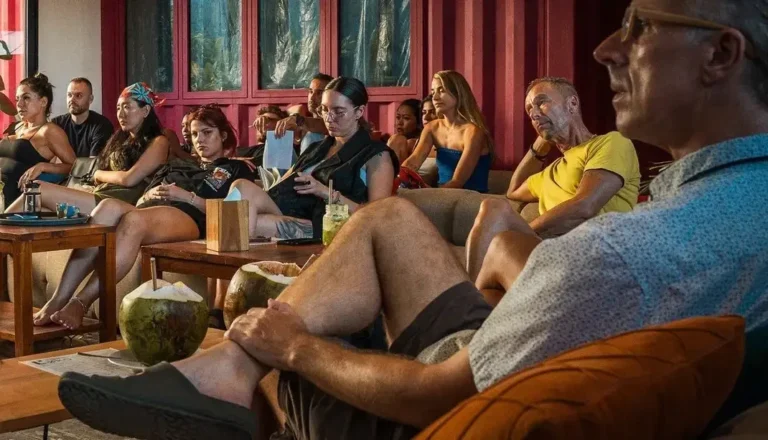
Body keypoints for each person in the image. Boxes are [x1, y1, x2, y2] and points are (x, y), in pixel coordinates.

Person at [58, 1, 768, 438]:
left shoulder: (624, 252)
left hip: (453, 402)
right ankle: (225, 369)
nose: (605, 49)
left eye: (638, 27)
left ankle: (236, 375)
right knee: (390, 221)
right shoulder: (733, 207)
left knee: (282, 349)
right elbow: (487, 195)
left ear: (721, 55)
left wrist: (297, 350)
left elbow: (441, 394)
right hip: (538, 334)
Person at [42, 105, 255, 330]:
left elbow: (234, 211)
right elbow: (143, 198)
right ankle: (58, 298)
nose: (199, 139)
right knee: (107, 207)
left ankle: (80, 302)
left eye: (207, 132)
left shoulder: (236, 168)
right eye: (194, 134)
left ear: (223, 135)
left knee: (134, 221)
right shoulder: (178, 164)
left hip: (188, 215)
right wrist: (148, 195)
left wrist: (187, 197)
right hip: (152, 208)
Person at [465, 77, 641, 300]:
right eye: (529, 110)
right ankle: (472, 304)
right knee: (493, 209)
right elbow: (514, 190)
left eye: (542, 102)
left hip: (594, 256)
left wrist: (526, 231)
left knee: (502, 245)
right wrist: (541, 144)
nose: (534, 113)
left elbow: (585, 205)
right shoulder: (553, 170)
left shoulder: (611, 143)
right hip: (548, 255)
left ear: (572, 104)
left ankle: (468, 304)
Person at [227, 76, 398, 240]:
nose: (329, 118)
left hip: (320, 225)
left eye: (338, 111)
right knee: (239, 186)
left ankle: (230, 263)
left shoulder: (376, 155)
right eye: (324, 110)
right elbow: (280, 186)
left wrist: (324, 191)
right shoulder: (316, 149)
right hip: (285, 210)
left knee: (245, 223)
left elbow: (378, 217)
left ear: (359, 111)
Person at [6, 83, 169, 229]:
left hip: (118, 202)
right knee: (36, 208)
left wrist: (97, 174)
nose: (121, 113)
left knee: (38, 189)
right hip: (98, 194)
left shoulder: (159, 142)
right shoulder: (120, 140)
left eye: (127, 107)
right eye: (118, 108)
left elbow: (129, 179)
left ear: (146, 110)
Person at [402, 70, 493, 192]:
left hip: (470, 198)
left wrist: (429, 193)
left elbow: (457, 182)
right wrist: (400, 179)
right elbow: (413, 162)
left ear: (458, 93)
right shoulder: (432, 128)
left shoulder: (473, 132)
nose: (435, 97)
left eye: (442, 90)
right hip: (442, 196)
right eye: (433, 92)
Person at [0, 73, 76, 202]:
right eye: (17, 99)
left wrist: (42, 166)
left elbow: (75, 166)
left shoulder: (49, 131)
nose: (19, 104)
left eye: (26, 98)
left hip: (16, 203)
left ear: (43, 102)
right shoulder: (19, 127)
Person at [253, 73, 333, 155]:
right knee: (279, 137)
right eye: (310, 91)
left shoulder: (333, 122)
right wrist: (265, 120)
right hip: (294, 166)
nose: (312, 97)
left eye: (319, 93)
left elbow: (322, 125)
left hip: (320, 165)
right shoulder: (302, 119)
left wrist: (297, 119)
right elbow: (286, 120)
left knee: (313, 135)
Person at [51, 77, 114, 158]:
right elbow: (51, 159)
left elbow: (92, 165)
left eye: (78, 95)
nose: (72, 100)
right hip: (59, 170)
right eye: (69, 95)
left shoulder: (102, 126)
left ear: (90, 99)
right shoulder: (56, 124)